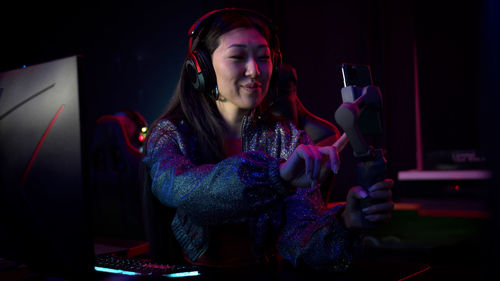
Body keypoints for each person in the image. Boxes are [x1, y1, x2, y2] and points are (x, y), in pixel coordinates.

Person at [142, 8, 393, 272]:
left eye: (263, 58)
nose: (255, 70)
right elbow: (187, 193)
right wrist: (278, 176)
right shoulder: (170, 134)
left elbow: (298, 241)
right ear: (200, 67)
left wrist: (346, 222)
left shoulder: (289, 138)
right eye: (238, 56)